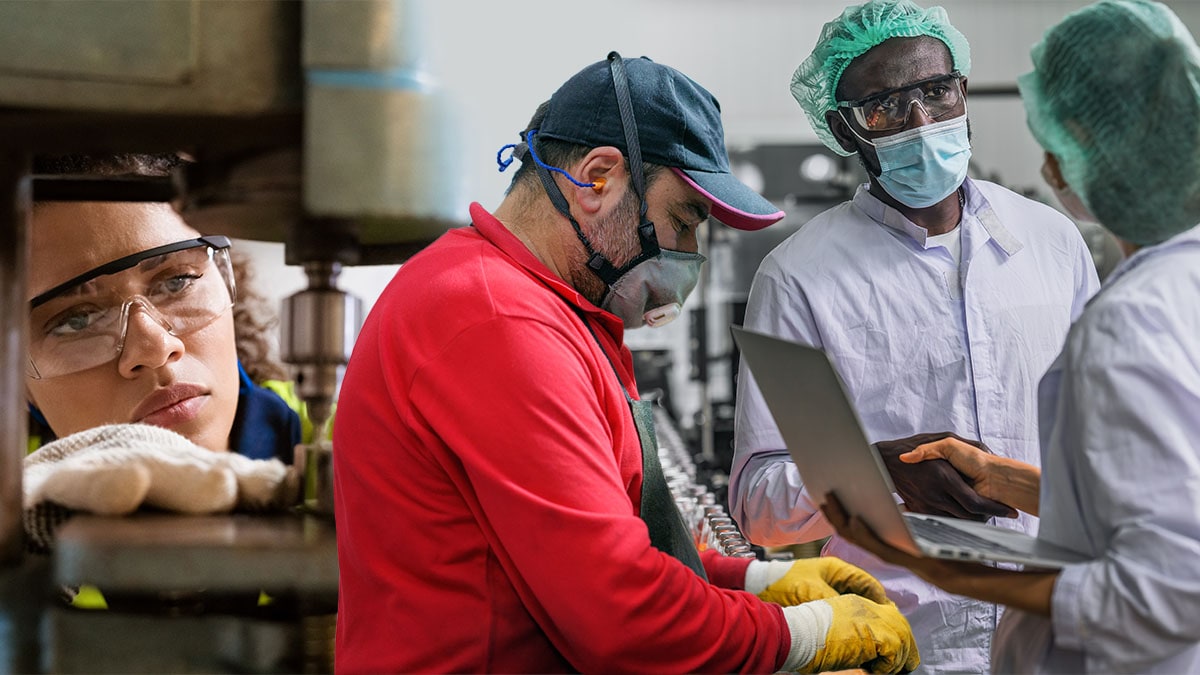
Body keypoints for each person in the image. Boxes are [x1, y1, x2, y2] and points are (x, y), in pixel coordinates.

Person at [333, 52, 919, 673]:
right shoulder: (497, 322)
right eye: (685, 219)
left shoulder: (547, 310)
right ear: (599, 178)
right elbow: (622, 616)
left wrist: (753, 580)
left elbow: (616, 545)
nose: (690, 255)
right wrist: (806, 632)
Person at [821, 1, 1200, 672]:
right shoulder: (1181, 287)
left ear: (1072, 152)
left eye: (938, 93)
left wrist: (947, 569)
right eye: (885, 105)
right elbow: (1144, 494)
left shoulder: (1130, 318)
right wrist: (1003, 478)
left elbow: (1166, 592)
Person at [729, 1, 1101, 672]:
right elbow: (759, 504)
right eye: (884, 107)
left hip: (1063, 634)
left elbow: (1104, 444)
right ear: (844, 130)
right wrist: (877, 475)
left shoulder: (1052, 243)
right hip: (905, 643)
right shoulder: (800, 278)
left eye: (937, 91)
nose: (922, 122)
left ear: (962, 88)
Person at [22, 153, 305, 561]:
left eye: (177, 281)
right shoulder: (14, 522)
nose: (154, 349)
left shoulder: (341, 451)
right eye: (76, 321)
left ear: (226, 285)